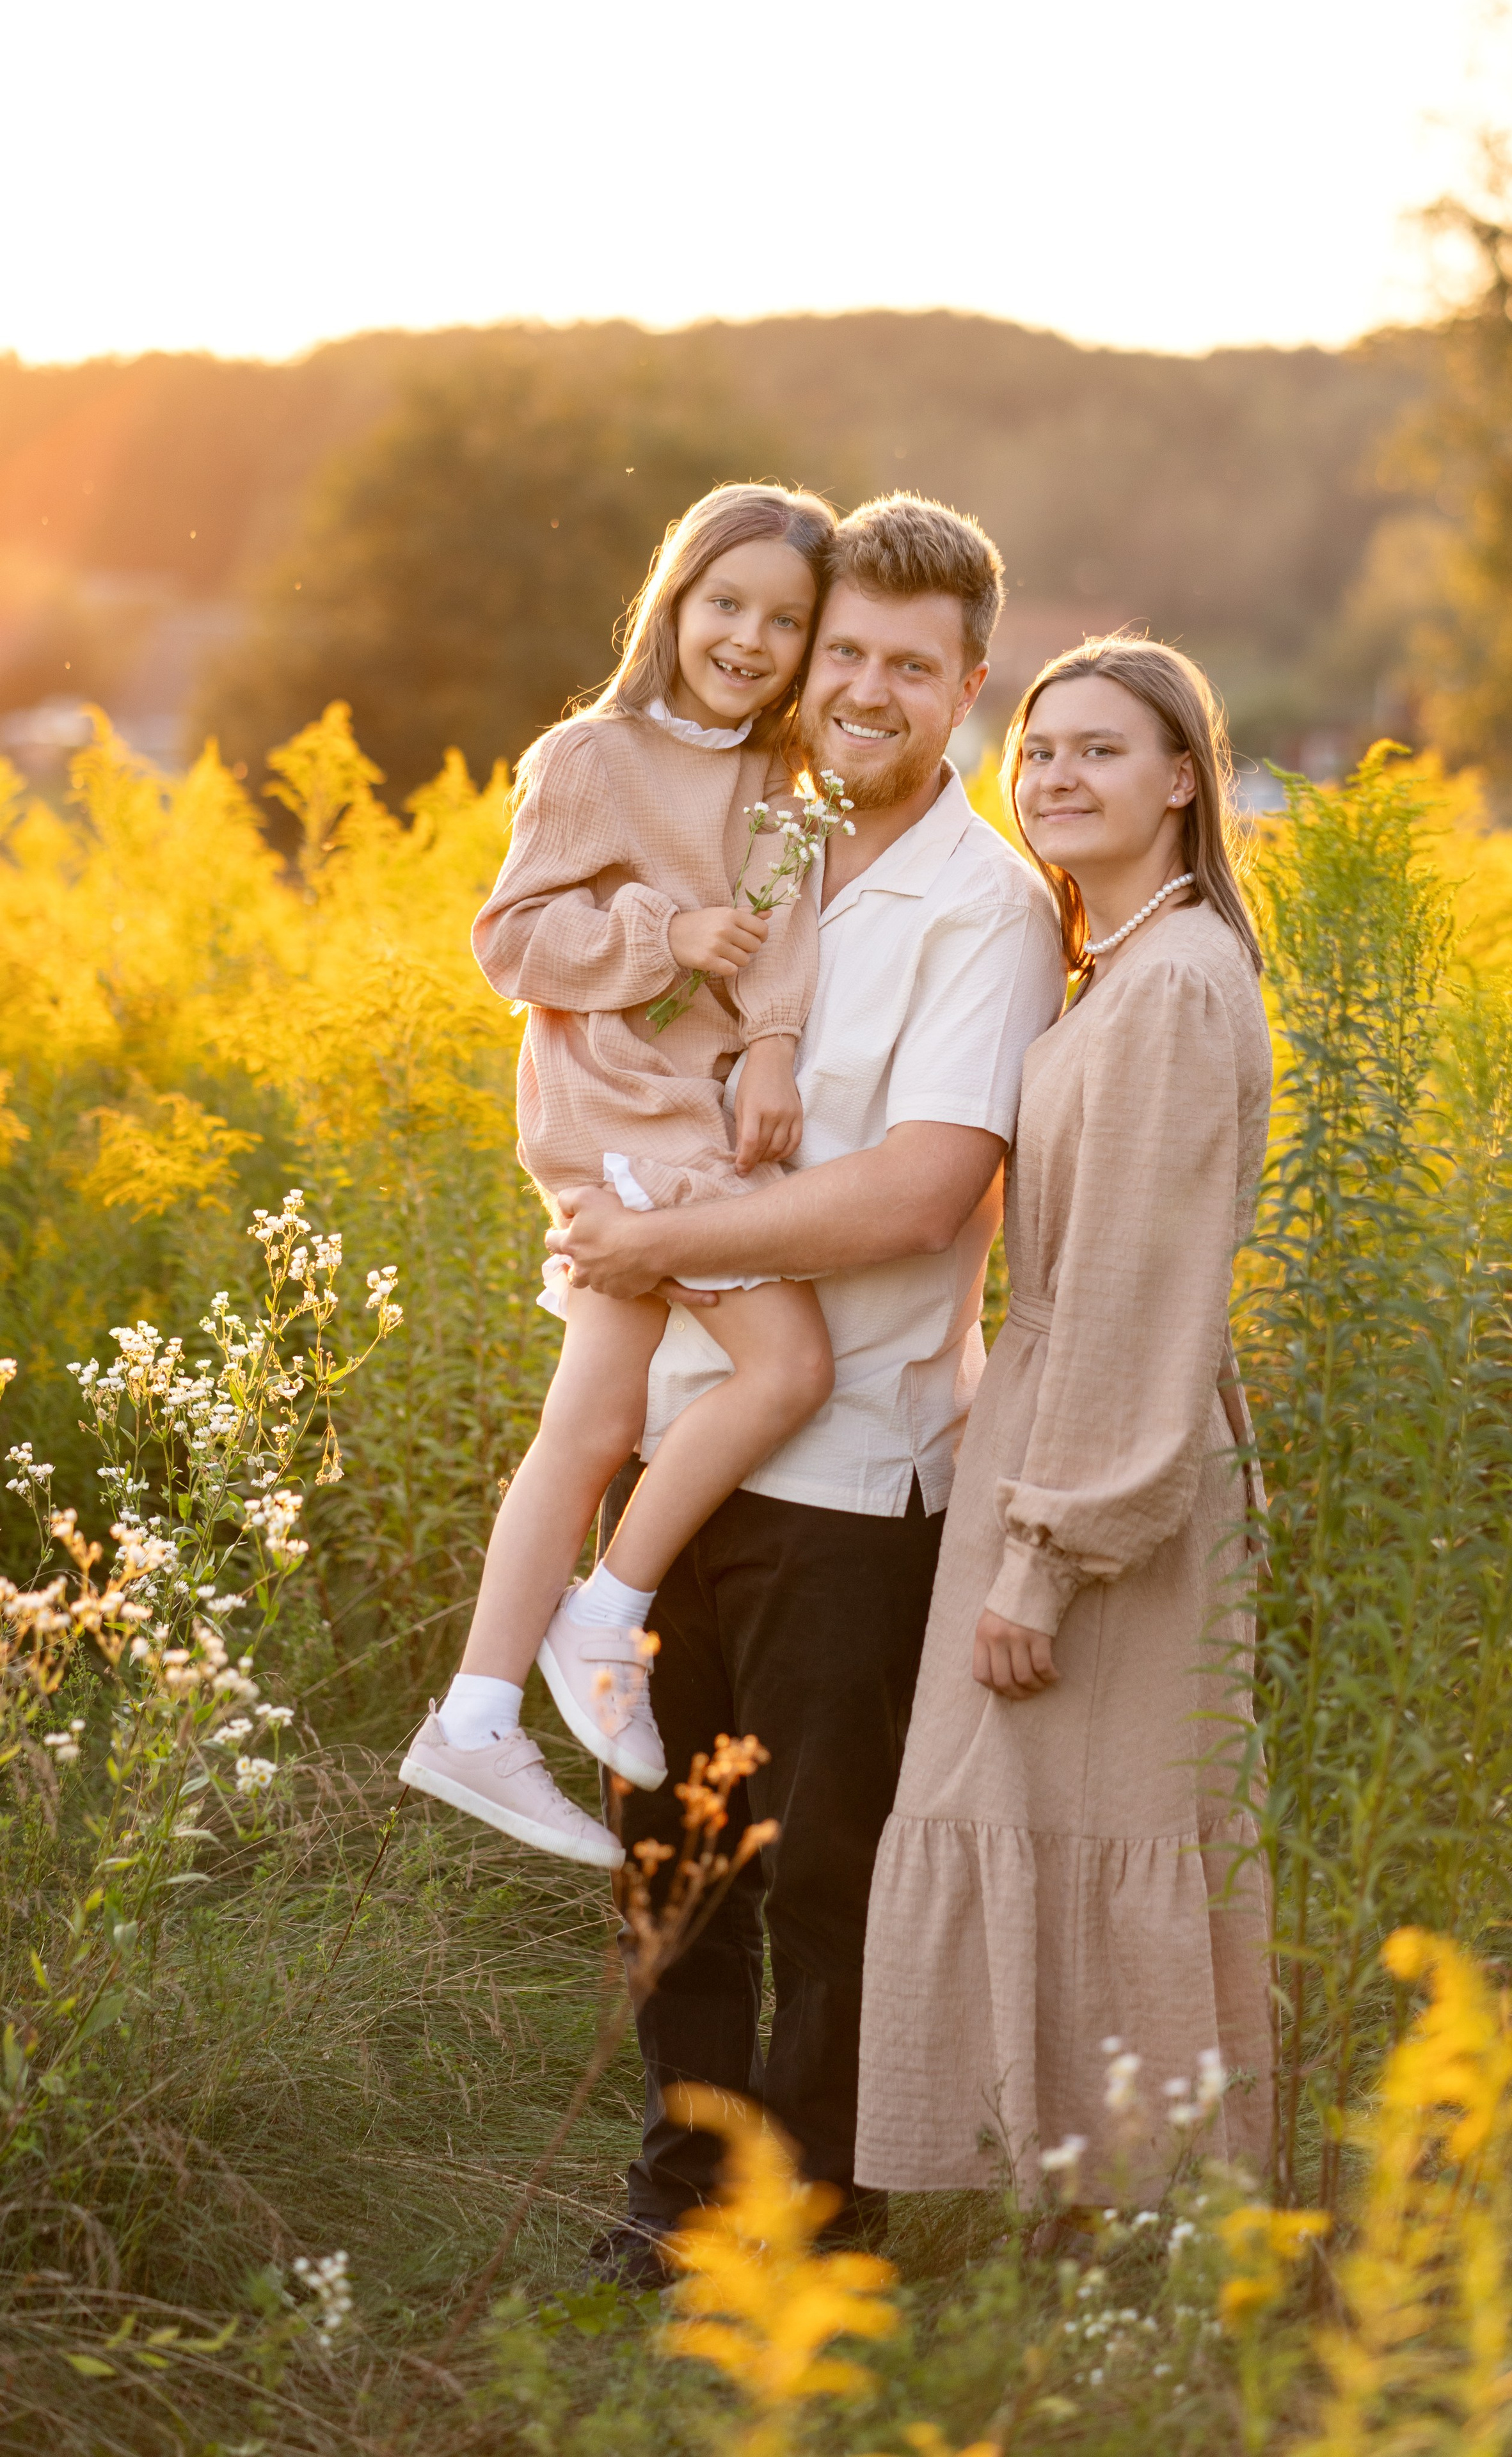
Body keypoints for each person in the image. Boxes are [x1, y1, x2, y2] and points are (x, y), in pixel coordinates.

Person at [546, 495, 1067, 2278]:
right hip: (677, 1425)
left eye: (909, 666)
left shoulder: (985, 909)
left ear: (969, 688)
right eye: (842, 651)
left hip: (849, 1468)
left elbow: (922, 1192)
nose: (860, 688)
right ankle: (682, 2200)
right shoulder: (753, 836)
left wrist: (663, 1240)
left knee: (825, 1870)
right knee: (667, 1857)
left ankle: (821, 2228)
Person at [855, 635, 1273, 2208]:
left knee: (1080, 1810)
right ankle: (1078, 2212)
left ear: (1180, 782)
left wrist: (1045, 1555)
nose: (1054, 777)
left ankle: (1130, 2216)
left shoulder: (1172, 987)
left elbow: (1136, 1293)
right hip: (1056, 1429)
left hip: (1103, 1475)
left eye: (1100, 750)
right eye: (1037, 750)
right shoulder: (1127, 966)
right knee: (1048, 1807)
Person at [401, 483, 840, 1868]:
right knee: (789, 1368)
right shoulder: (591, 755)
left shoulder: (777, 781)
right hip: (625, 1119)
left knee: (590, 1422)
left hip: (694, 1115)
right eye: (726, 603)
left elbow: (779, 940)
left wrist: (771, 1051)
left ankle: (477, 1717)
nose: (749, 638)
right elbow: (510, 941)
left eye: (786, 621)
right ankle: (609, 1607)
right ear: (674, 600)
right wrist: (663, 933)